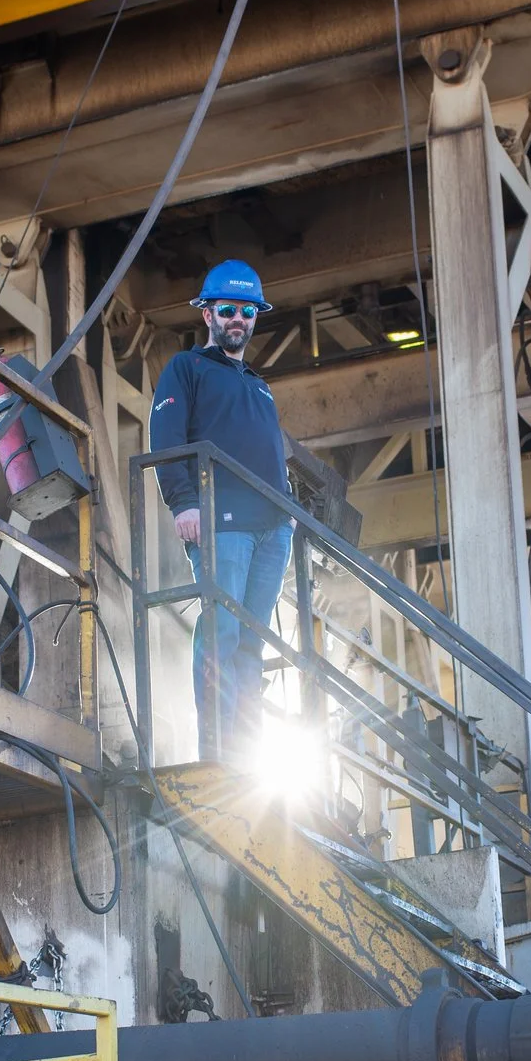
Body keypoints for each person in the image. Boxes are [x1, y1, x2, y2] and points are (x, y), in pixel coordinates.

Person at [150, 258, 293, 759]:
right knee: (222, 634)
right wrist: (183, 502)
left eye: (248, 311)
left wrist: (288, 512)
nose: (239, 319)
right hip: (223, 523)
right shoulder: (186, 369)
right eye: (229, 309)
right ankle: (215, 749)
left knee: (252, 643)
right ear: (207, 314)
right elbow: (165, 440)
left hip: (273, 529)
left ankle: (246, 752)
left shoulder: (258, 384)